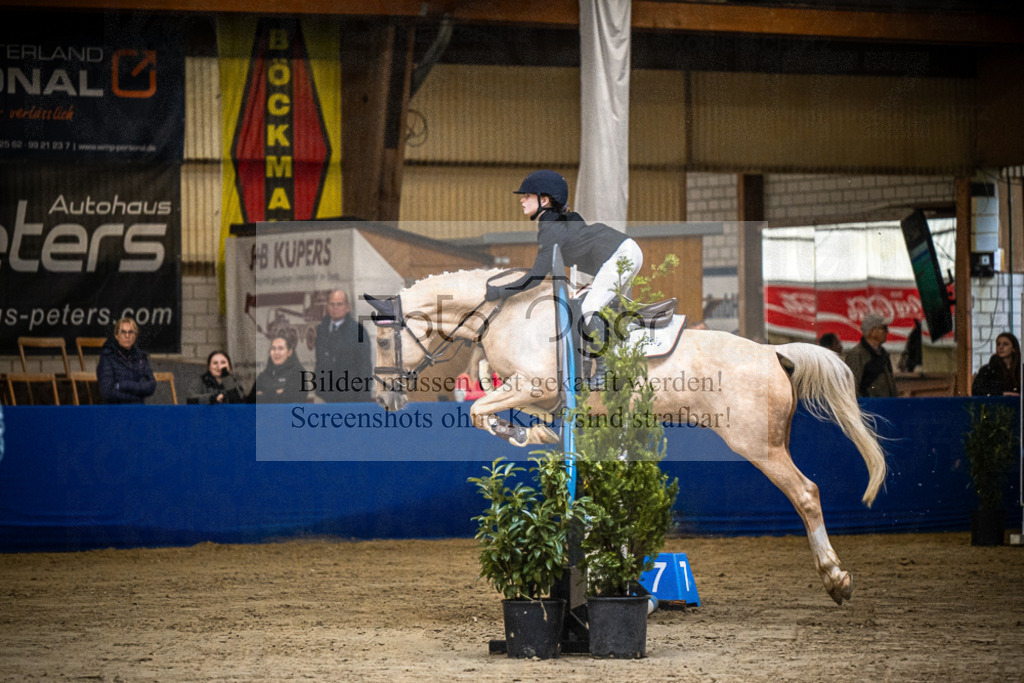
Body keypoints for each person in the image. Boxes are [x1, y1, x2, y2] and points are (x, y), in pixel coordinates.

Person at [483, 170, 644, 388]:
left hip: (619, 254)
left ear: (545, 200)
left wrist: (499, 291)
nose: (522, 200)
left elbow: (535, 278)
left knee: (590, 308)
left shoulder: (551, 226)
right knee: (603, 308)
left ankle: (606, 371)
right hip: (626, 250)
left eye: (527, 196)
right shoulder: (560, 220)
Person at [314, 290, 372, 402]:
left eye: (339, 304)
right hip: (326, 398)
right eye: (332, 304)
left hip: (351, 399)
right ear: (327, 306)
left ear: (347, 307)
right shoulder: (321, 330)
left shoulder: (358, 332)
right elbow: (320, 362)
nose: (335, 307)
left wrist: (362, 401)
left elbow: (365, 368)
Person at [96, 317, 157, 404]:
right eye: (123, 332)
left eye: (130, 332)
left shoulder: (141, 357)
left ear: (135, 335)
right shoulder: (107, 357)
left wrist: (122, 385)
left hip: (137, 410)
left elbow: (150, 386)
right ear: (117, 335)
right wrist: (136, 396)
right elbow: (107, 392)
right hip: (115, 411)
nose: (127, 336)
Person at [844, 313, 896, 398]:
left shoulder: (883, 354)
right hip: (869, 407)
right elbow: (852, 387)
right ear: (872, 331)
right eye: (884, 328)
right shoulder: (856, 354)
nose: (887, 331)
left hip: (886, 406)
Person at [249, 333, 308, 403]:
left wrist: (264, 394)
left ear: (289, 352)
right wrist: (277, 393)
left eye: (280, 348)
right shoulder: (264, 375)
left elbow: (292, 401)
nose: (276, 352)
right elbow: (250, 402)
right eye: (273, 348)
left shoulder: (298, 374)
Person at [972, 332, 1022, 397]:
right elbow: (977, 391)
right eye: (998, 344)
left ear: (1014, 349)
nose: (1000, 347)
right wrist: (1002, 394)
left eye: (1005, 344)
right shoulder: (987, 370)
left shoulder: (1021, 369)